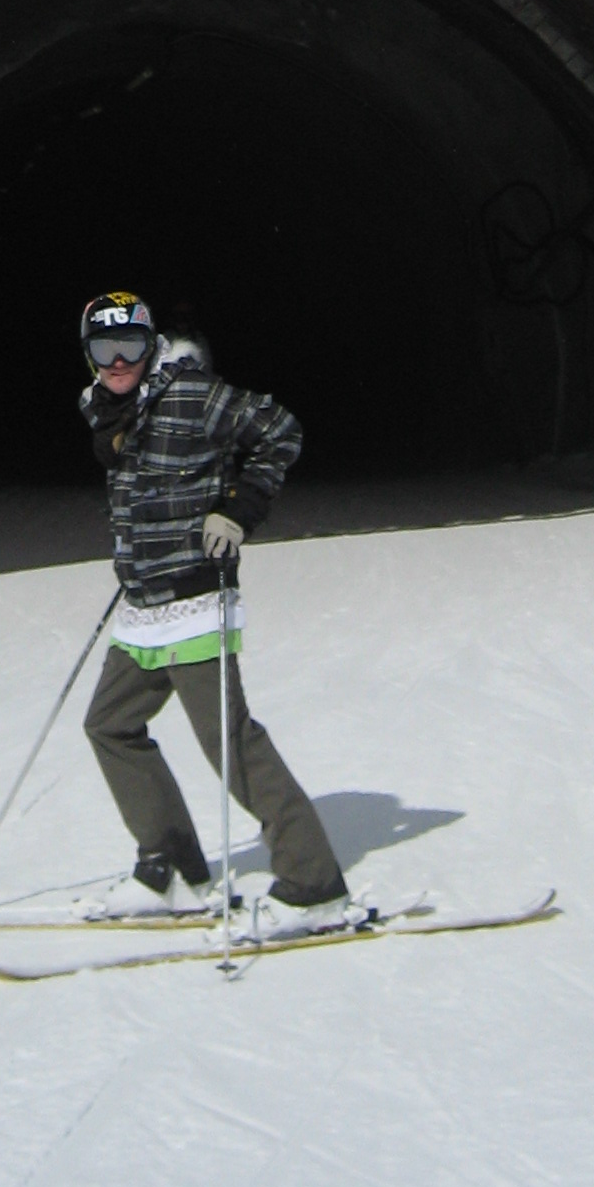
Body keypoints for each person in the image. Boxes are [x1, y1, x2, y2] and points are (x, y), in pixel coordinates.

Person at [77, 291, 349, 914]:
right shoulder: (105, 410)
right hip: (144, 603)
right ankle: (171, 867)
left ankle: (313, 885)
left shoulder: (195, 395)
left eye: (131, 348)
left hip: (196, 597)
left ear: (152, 348)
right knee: (109, 725)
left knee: (229, 742)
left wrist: (237, 510)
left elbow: (281, 431)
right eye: (103, 349)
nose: (118, 362)